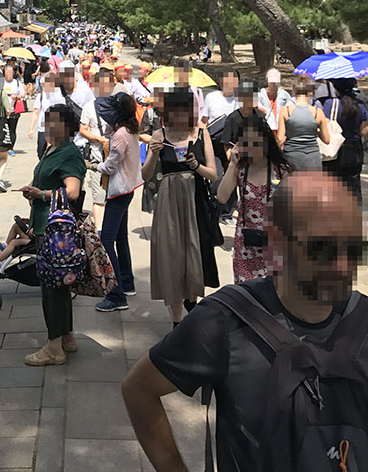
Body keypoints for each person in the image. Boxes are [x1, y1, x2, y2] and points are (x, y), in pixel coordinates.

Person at [122, 173, 368, 472]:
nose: (342, 265)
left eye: (354, 248)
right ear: (277, 241)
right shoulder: (224, 320)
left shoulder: (362, 317)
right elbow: (139, 389)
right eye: (322, 247)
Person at [143, 89, 219, 325]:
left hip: (194, 197)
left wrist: (196, 165)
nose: (177, 117)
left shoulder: (201, 133)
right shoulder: (159, 133)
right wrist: (154, 155)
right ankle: (177, 321)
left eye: (182, 111)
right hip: (168, 199)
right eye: (173, 112)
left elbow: (213, 175)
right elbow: (145, 175)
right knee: (170, 254)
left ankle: (192, 304)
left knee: (193, 253)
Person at [19, 104, 86, 366]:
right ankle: (67, 337)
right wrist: (34, 191)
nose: (47, 125)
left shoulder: (69, 154)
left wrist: (41, 195)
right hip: (44, 225)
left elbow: (72, 191)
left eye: (53, 121)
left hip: (55, 231)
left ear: (66, 127)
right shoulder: (52, 148)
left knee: (52, 287)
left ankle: (53, 347)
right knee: (58, 285)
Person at [216, 114, 291, 283]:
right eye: (246, 144)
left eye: (256, 144)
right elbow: (221, 197)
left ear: (266, 143)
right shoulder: (241, 168)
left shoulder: (281, 170)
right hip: (246, 244)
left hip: (276, 243)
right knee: (246, 297)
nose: (251, 149)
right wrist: (232, 164)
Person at [91, 92, 143, 312]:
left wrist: (94, 166)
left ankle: (116, 295)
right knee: (121, 238)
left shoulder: (121, 134)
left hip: (118, 191)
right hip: (128, 189)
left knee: (106, 240)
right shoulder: (130, 130)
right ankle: (127, 282)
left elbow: (111, 165)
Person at [318, 76, 368, 202]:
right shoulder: (360, 105)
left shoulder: (330, 104)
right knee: (353, 185)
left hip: (335, 149)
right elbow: (364, 132)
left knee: (332, 185)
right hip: (354, 150)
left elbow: (325, 127)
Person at [77, 66, 114, 231]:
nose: (104, 88)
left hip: (116, 159)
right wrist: (99, 139)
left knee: (113, 197)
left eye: (107, 84)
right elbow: (83, 129)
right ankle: (100, 229)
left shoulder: (117, 106)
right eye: (101, 85)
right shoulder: (89, 107)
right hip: (97, 157)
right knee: (99, 197)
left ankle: (109, 227)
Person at [277, 76, 330, 171]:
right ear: (310, 93)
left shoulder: (285, 111)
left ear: (294, 92)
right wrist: (314, 131)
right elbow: (326, 140)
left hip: (291, 155)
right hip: (312, 158)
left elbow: (280, 139)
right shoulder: (318, 112)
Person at [29, 70, 59, 158]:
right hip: (42, 128)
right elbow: (36, 112)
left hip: (54, 129)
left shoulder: (59, 95)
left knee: (52, 153)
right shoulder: (41, 96)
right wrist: (31, 128)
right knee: (40, 153)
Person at [2, 64, 25, 154]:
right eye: (7, 72)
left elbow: (23, 94)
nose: (9, 74)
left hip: (14, 110)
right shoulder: (1, 82)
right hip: (3, 110)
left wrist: (17, 96)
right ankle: (3, 147)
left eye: (11, 72)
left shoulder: (17, 82)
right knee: (3, 129)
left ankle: (10, 148)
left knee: (12, 129)